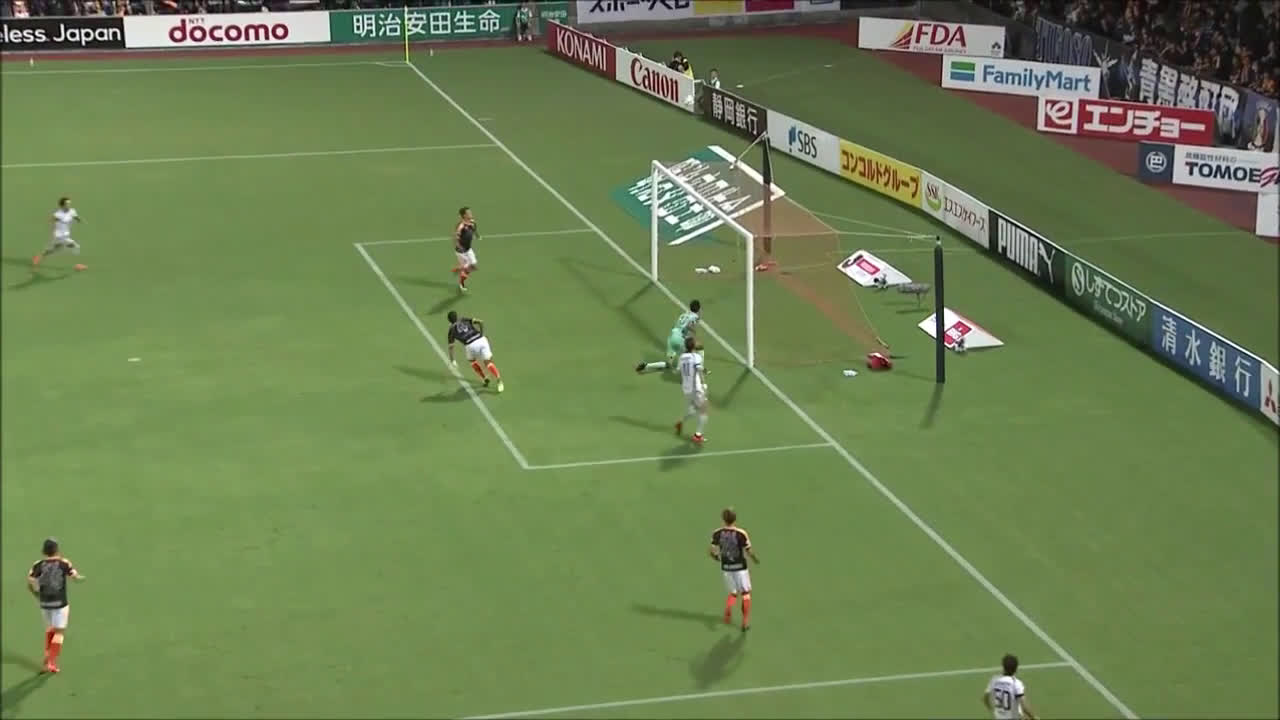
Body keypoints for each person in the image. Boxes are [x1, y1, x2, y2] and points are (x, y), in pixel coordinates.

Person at [27, 538, 86, 674]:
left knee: (50, 630)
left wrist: (36, 593)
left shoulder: (38, 564)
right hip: (60, 603)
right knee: (59, 632)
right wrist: (79, 578)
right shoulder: (64, 563)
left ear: (44, 551)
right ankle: (51, 661)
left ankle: (46, 660)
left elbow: (30, 580)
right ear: (57, 550)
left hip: (45, 603)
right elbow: (74, 576)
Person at [709, 507, 757, 631]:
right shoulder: (741, 533)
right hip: (740, 568)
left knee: (733, 593)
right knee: (745, 594)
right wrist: (754, 559)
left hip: (726, 567)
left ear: (723, 519)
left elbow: (712, 551)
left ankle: (728, 609)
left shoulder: (717, 533)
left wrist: (716, 557)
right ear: (735, 519)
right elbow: (748, 550)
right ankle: (745, 622)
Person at [635, 299, 701, 373]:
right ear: (698, 309)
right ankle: (682, 370)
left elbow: (679, 325)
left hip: (672, 337)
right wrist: (694, 333)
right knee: (690, 355)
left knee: (669, 364)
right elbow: (689, 326)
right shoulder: (695, 316)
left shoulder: (683, 315)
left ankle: (646, 366)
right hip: (679, 338)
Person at [446, 310, 503, 393]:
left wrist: (452, 360)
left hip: (470, 345)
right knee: (488, 362)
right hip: (482, 340)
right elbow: (480, 322)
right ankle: (499, 381)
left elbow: (451, 347)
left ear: (449, 321)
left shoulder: (451, 330)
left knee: (472, 361)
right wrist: (482, 335)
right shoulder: (464, 319)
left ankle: (484, 378)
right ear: (457, 316)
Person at [33, 196, 87, 271]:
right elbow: (51, 221)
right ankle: (78, 265)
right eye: (67, 204)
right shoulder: (58, 214)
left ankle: (39, 257)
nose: (69, 205)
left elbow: (75, 216)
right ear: (62, 205)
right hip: (60, 236)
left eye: (69, 203)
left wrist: (79, 220)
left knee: (55, 249)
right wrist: (53, 227)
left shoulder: (72, 211)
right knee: (76, 246)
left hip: (65, 235)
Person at [675, 335, 708, 444]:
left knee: (693, 410)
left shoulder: (682, 357)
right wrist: (703, 384)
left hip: (686, 388)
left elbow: (678, 371)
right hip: (696, 388)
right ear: (693, 346)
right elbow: (699, 370)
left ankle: (680, 422)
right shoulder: (696, 357)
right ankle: (698, 435)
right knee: (704, 409)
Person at [983, 654, 1037, 720]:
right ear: (1016, 669)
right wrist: (1034, 717)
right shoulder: (1016, 683)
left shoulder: (994, 679)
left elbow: (985, 698)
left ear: (1003, 667)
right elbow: (1024, 706)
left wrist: (992, 709)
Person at [452, 206, 478, 292]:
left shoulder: (472, 222)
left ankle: (460, 269)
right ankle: (462, 283)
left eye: (470, 212)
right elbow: (456, 236)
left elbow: (474, 229)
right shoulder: (461, 225)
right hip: (461, 251)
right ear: (464, 215)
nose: (471, 214)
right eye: (468, 213)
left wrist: (477, 236)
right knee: (467, 266)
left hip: (468, 249)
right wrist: (458, 245)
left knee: (473, 265)